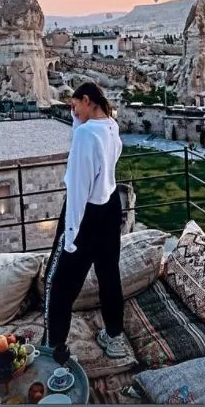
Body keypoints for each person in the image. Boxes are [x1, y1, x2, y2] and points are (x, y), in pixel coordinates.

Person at [42, 82, 127, 363]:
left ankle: (54, 347)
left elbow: (78, 187)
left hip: (86, 213)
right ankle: (115, 338)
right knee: (109, 275)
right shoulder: (110, 125)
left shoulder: (86, 135)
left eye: (75, 105)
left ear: (87, 100)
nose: (72, 110)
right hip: (111, 207)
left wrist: (69, 235)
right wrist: (78, 121)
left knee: (59, 283)